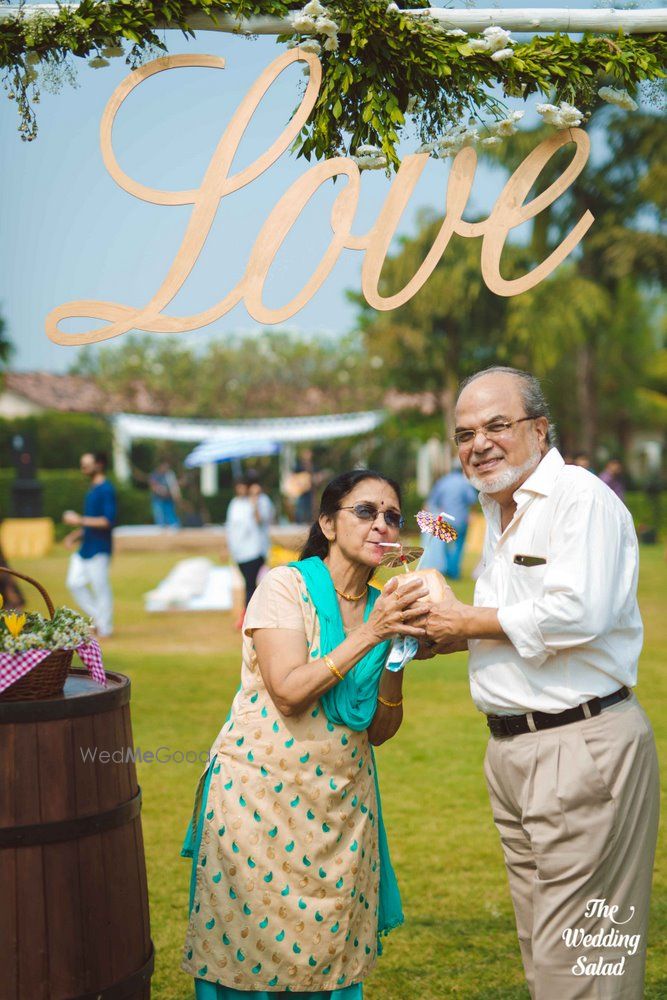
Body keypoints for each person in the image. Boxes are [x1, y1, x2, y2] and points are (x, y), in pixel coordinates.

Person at [422, 367, 659, 999]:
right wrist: (441, 635)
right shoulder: (498, 511)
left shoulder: (578, 497)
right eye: (465, 433)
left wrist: (465, 621)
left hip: (579, 747)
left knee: (578, 967)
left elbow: (580, 612)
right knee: (548, 957)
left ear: (539, 428)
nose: (480, 444)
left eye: (498, 425)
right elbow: (510, 625)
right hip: (514, 753)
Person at [182, 469, 430, 998]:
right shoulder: (284, 585)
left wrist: (398, 653)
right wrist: (374, 632)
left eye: (393, 516)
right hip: (259, 804)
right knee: (247, 953)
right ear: (328, 523)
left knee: (329, 956)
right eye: (365, 512)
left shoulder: (384, 603)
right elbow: (290, 692)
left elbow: (381, 728)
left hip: (341, 809)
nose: (382, 524)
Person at [63, 451, 117, 637]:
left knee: (100, 587)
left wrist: (78, 520)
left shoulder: (106, 489)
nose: (83, 468)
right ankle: (99, 619)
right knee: (74, 583)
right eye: (82, 464)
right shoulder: (92, 489)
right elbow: (90, 522)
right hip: (85, 547)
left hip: (100, 548)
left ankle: (105, 627)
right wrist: (75, 535)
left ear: (99, 464)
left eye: (87, 464)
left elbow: (107, 521)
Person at [225, 475, 275, 617]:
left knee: (250, 584)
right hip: (239, 552)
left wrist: (255, 502)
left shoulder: (261, 501)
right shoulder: (235, 503)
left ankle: (248, 616)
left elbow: (261, 520)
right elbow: (230, 528)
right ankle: (248, 614)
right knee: (248, 584)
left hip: (255, 551)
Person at [419, 460, 477, 579]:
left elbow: (431, 502)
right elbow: (472, 500)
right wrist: (471, 514)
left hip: (444, 520)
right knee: (458, 545)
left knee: (443, 545)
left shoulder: (443, 481)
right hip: (461, 520)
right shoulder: (465, 483)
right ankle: (453, 572)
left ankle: (443, 569)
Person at [149, 459, 182, 526]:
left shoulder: (169, 475)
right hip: (158, 499)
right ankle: (161, 529)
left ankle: (174, 527)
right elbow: (153, 486)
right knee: (159, 516)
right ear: (160, 466)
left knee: (170, 515)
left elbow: (174, 486)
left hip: (168, 499)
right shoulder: (155, 475)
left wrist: (176, 495)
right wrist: (161, 490)